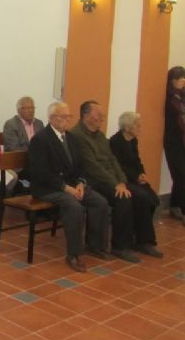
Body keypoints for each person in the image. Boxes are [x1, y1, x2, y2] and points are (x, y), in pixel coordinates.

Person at [28, 102, 112, 272]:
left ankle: (94, 245)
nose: (67, 120)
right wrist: (66, 188)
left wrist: (81, 183)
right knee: (74, 207)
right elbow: (41, 173)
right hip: (48, 187)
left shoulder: (71, 138)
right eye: (63, 116)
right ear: (52, 118)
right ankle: (74, 254)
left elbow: (81, 166)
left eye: (68, 116)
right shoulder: (40, 139)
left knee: (100, 202)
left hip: (73, 185)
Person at [71, 101, 156, 262]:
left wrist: (122, 181)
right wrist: (115, 184)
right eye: (98, 114)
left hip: (112, 179)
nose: (102, 117)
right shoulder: (78, 136)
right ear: (86, 116)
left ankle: (144, 241)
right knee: (123, 198)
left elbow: (113, 160)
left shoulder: (100, 135)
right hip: (94, 180)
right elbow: (92, 166)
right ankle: (120, 246)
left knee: (142, 196)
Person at [110, 112, 162, 256]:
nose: (140, 128)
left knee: (154, 199)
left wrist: (141, 173)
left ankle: (139, 233)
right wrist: (135, 177)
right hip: (124, 179)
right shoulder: (115, 141)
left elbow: (137, 161)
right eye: (137, 125)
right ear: (127, 127)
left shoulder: (133, 140)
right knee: (142, 198)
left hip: (135, 178)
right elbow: (118, 165)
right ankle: (144, 241)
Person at [163, 66, 185, 225]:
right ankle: (184, 211)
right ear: (173, 81)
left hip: (182, 140)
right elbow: (179, 113)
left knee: (181, 175)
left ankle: (175, 205)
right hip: (174, 141)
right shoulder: (172, 97)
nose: (183, 81)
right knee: (182, 174)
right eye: (180, 79)